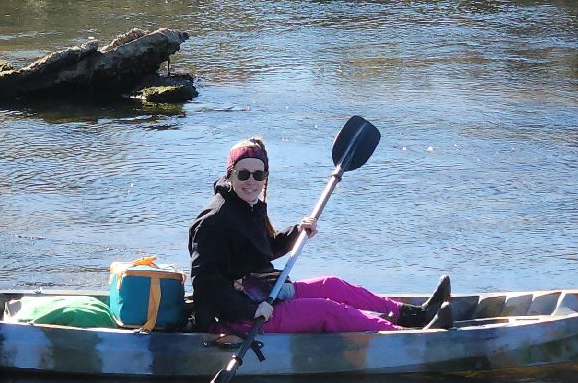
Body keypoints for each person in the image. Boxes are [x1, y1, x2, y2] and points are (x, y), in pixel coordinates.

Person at [187, 136, 452, 334]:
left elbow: (260, 250)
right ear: (230, 174)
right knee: (327, 310)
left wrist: (296, 233)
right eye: (243, 174)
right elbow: (206, 285)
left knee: (331, 284)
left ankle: (412, 315)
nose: (252, 181)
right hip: (239, 317)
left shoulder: (247, 205)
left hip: (264, 293)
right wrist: (251, 311)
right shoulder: (214, 221)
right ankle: (405, 337)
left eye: (259, 174)